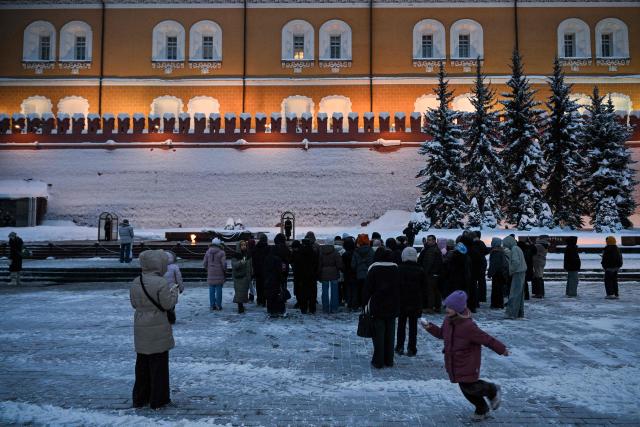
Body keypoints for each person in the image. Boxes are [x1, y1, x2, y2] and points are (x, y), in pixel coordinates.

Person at [423, 291, 508, 421]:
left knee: (471, 387)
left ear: (457, 309)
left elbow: (486, 339)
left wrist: (501, 349)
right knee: (466, 389)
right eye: (446, 306)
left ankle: (492, 389)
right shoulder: (448, 321)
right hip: (455, 362)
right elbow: (442, 334)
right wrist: (430, 327)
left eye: (450, 307)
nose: (446, 309)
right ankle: (481, 409)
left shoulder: (468, 326)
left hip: (468, 362)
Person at [130, 249, 179, 409]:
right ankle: (159, 398)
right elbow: (167, 304)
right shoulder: (161, 282)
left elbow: (134, 304)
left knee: (142, 364)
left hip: (141, 325)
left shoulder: (137, 281)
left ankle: (140, 397)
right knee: (159, 365)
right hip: (157, 325)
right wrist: (174, 294)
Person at [363, 249, 400, 369]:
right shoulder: (395, 268)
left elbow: (368, 289)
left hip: (377, 305)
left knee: (378, 334)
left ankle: (378, 360)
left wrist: (365, 304)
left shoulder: (374, 269)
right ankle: (389, 360)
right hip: (393, 305)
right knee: (390, 333)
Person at [396, 247, 425, 357]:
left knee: (401, 325)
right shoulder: (420, 270)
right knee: (413, 326)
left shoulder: (399, 269)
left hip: (402, 300)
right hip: (415, 301)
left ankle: (399, 346)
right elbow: (424, 287)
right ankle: (412, 348)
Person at [264, 233, 289, 317]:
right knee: (280, 292)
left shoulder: (268, 257)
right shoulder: (283, 251)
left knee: (272, 294)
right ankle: (280, 309)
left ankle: (271, 309)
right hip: (280, 276)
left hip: (270, 277)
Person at [418, 235, 443, 313]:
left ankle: (430, 307)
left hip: (431, 273)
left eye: (430, 240)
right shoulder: (434, 249)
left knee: (431, 291)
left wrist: (425, 272)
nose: (428, 241)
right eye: (428, 240)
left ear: (434, 241)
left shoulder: (432, 250)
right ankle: (437, 306)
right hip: (435, 273)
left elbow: (429, 263)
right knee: (435, 290)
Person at [293, 238, 319, 314]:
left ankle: (303, 309)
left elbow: (297, 266)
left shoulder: (299, 253)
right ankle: (312, 309)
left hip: (302, 276)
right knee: (312, 293)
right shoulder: (313, 252)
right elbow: (316, 263)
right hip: (312, 275)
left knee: (303, 293)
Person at [503, 236, 526, 319]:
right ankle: (519, 312)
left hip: (518, 272)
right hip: (521, 272)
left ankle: (512, 313)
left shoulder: (514, 249)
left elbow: (515, 262)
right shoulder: (516, 248)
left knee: (514, 293)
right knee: (519, 294)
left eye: (505, 244)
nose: (505, 246)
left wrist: (511, 271)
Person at [318, 239, 343, 314]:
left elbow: (319, 264)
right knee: (334, 292)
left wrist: (319, 273)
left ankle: (325, 308)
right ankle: (334, 308)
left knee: (325, 291)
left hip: (324, 273)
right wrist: (340, 269)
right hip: (334, 273)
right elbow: (339, 264)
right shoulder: (335, 252)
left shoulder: (321, 252)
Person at [351, 234, 375, 308]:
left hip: (359, 274)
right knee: (368, 290)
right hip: (369, 274)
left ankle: (358, 304)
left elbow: (353, 265)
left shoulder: (356, 251)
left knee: (358, 290)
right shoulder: (371, 251)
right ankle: (366, 305)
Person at [204, 238, 226, 311]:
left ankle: (212, 305)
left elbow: (204, 263)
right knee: (219, 290)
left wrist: (208, 269)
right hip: (219, 273)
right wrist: (225, 270)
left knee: (211, 290)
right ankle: (218, 305)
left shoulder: (208, 252)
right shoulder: (222, 252)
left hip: (210, 273)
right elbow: (224, 264)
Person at [232, 240, 253, 314]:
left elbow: (250, 265)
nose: (244, 246)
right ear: (239, 246)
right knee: (239, 293)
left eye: (245, 245)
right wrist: (240, 262)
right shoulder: (236, 255)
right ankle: (240, 307)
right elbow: (234, 265)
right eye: (242, 245)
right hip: (239, 277)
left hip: (246, 277)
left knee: (243, 292)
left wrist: (251, 274)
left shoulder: (248, 254)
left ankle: (241, 305)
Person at [487, 238, 508, 309]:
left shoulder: (495, 252)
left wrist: (490, 273)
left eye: (492, 242)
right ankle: (500, 304)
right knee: (500, 289)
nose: (491, 243)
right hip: (501, 272)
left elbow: (493, 264)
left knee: (496, 289)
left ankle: (495, 304)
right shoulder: (501, 251)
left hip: (497, 273)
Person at [469, 231, 489, 305]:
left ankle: (477, 298)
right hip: (482, 264)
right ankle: (482, 297)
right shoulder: (481, 243)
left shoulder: (472, 244)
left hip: (475, 265)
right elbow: (486, 251)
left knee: (474, 282)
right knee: (482, 281)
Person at [251, 233, 269, 307]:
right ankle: (264, 301)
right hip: (266, 270)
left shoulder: (255, 248)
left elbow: (252, 259)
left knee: (259, 286)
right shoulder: (268, 248)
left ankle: (259, 300)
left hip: (257, 270)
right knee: (265, 286)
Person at [341, 235, 357, 311]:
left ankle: (349, 303)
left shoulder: (344, 254)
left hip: (347, 273)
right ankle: (354, 304)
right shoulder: (355, 253)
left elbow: (342, 265)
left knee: (348, 288)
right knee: (354, 289)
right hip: (355, 273)